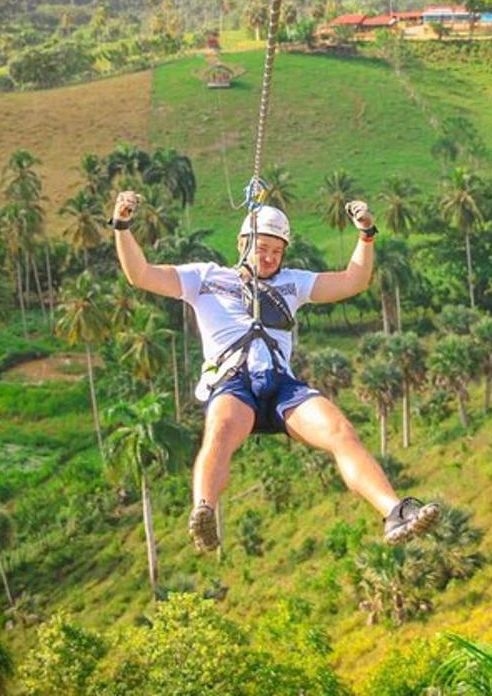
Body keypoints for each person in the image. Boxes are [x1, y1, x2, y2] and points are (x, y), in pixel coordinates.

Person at [110, 189, 440, 552]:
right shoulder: (204, 278)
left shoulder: (292, 283)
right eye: (262, 248)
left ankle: (394, 511)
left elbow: (352, 281)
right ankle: (204, 509)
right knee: (219, 429)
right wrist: (122, 226)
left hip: (282, 385)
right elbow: (140, 274)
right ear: (241, 243)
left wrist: (366, 234)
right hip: (233, 383)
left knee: (340, 430)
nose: (269, 258)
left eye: (277, 251)